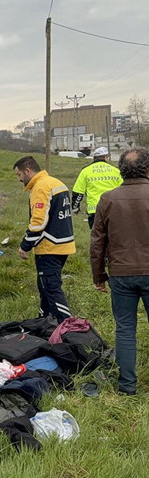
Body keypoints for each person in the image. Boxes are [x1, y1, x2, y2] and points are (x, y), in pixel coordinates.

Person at [89, 148, 149, 396]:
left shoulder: (108, 199)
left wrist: (98, 276)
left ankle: (127, 386)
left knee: (125, 329)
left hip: (121, 273)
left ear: (121, 170)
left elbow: (97, 242)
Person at [13, 156, 75, 323]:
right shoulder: (56, 183)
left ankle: (70, 328)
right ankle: (44, 321)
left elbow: (38, 221)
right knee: (45, 287)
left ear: (28, 170)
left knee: (51, 288)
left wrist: (25, 245)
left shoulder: (40, 187)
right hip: (64, 244)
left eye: (19, 175)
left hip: (49, 246)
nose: (19, 179)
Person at [71, 146, 123, 229]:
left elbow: (78, 192)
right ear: (106, 157)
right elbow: (123, 190)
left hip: (94, 211)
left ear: (94, 158)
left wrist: (75, 208)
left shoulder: (86, 171)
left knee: (97, 238)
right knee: (113, 237)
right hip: (113, 210)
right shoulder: (116, 171)